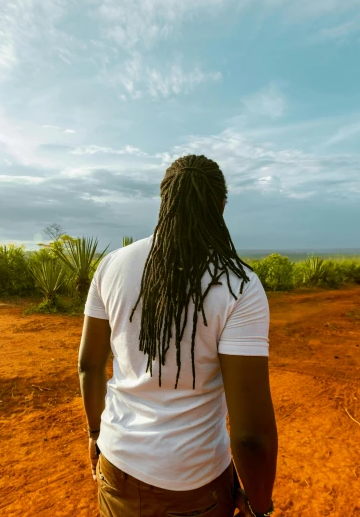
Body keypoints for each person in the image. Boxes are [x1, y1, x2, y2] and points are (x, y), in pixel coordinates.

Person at [78, 154, 277, 517]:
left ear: (164, 200)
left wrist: (95, 433)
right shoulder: (237, 286)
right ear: (221, 205)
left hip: (116, 466)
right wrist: (260, 507)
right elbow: (250, 437)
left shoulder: (111, 265)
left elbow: (89, 366)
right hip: (194, 486)